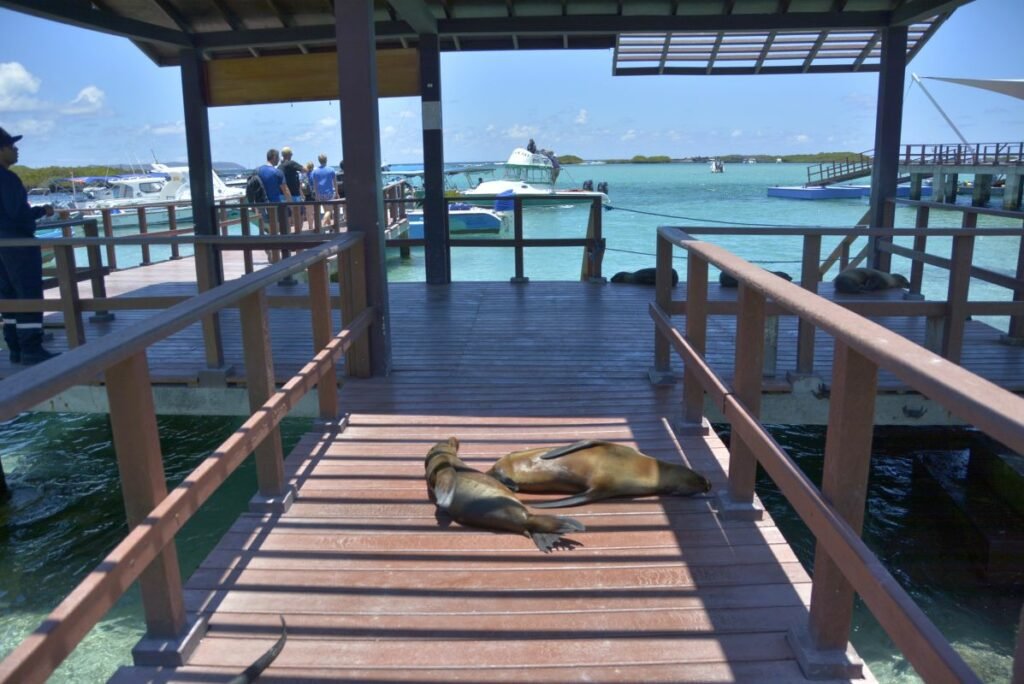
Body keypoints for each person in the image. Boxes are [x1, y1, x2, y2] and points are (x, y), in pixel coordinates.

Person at [0, 127, 58, 364]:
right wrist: (39, 213)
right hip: (17, 245)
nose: (16, 150)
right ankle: (31, 348)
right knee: (28, 293)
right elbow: (17, 214)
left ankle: (15, 347)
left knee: (8, 295)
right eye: (12, 147)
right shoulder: (8, 178)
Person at [310, 154, 338, 229]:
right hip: (329, 193)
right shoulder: (331, 169)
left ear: (319, 160)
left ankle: (329, 228)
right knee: (329, 211)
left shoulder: (315, 171)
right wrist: (337, 193)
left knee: (326, 211)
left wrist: (316, 195)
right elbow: (335, 183)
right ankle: (323, 223)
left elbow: (315, 184)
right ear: (326, 159)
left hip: (320, 194)